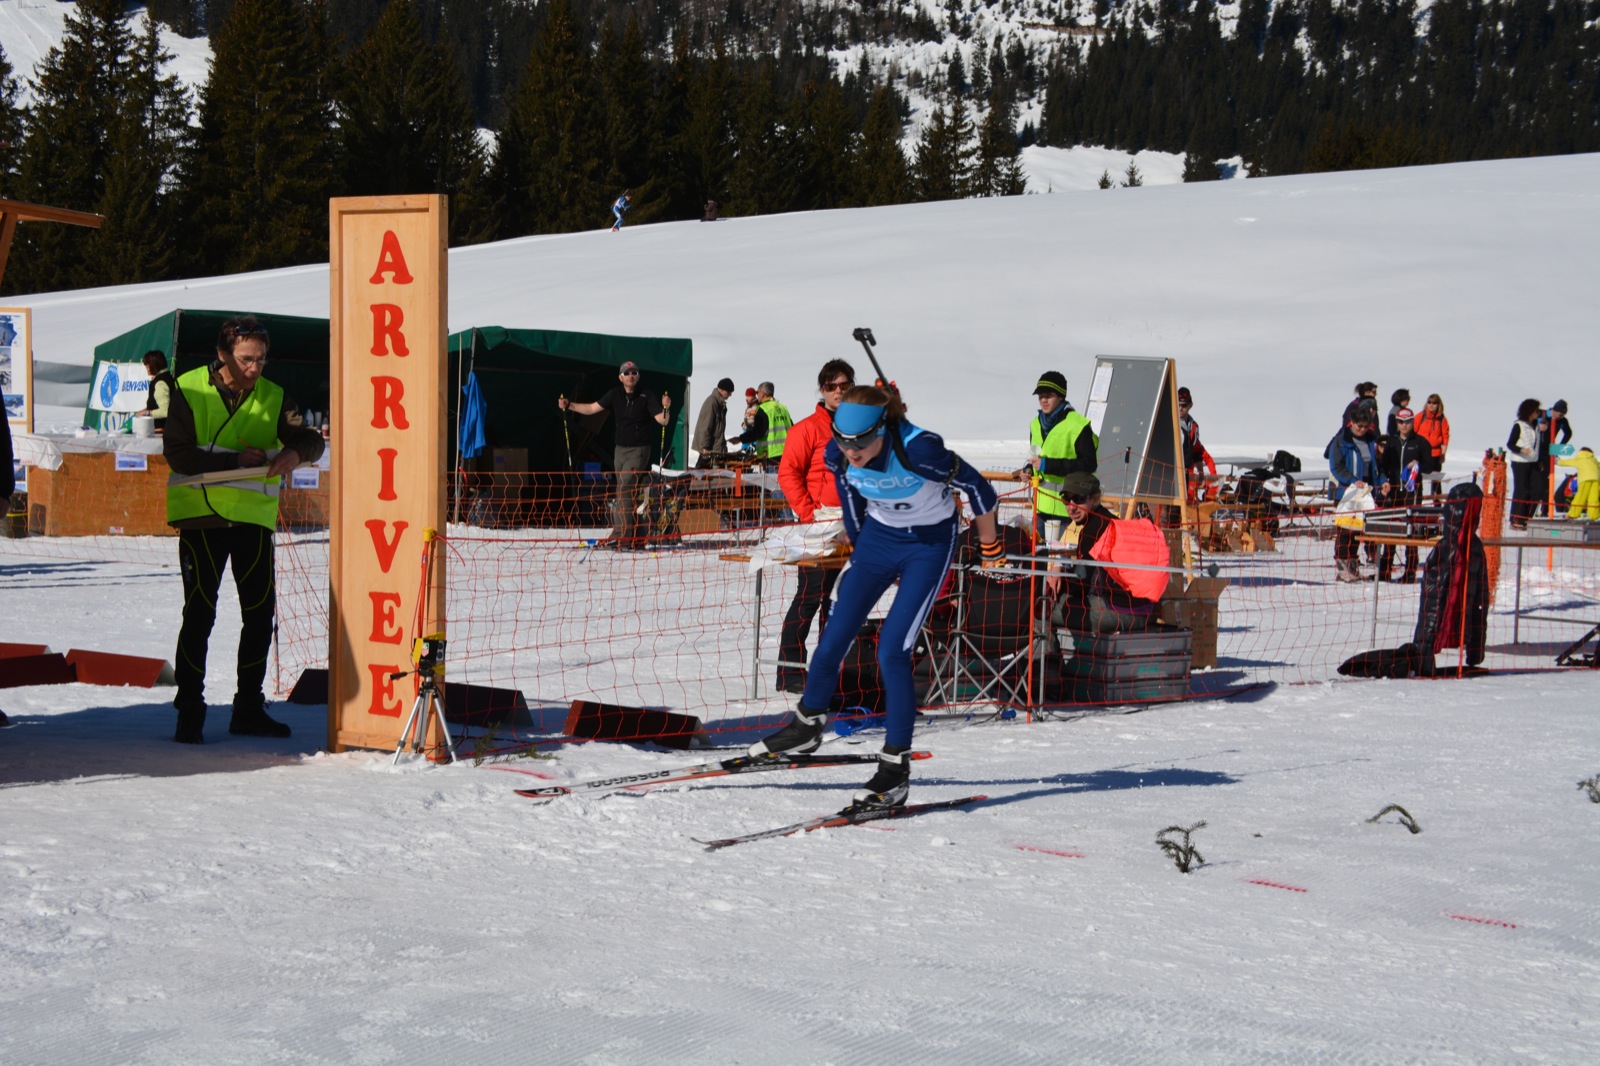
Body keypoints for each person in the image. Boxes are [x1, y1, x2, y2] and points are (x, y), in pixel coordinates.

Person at [748, 385, 1001, 809]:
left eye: (861, 442)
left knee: (892, 650)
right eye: (844, 440)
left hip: (927, 546)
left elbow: (980, 490)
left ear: (882, 428)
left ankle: (895, 769)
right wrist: (862, 544)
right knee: (833, 637)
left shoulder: (920, 449)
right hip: (879, 541)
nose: (852, 450)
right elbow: (849, 498)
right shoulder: (838, 453)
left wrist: (990, 545)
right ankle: (806, 726)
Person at [164, 316, 325, 743]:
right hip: (201, 517)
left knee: (259, 614)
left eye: (261, 359)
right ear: (223, 355)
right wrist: (233, 462)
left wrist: (296, 453)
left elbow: (311, 439)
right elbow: (177, 454)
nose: (254, 368)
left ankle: (249, 708)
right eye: (246, 359)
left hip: (252, 520)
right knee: (199, 613)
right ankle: (189, 709)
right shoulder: (188, 388)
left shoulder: (274, 395)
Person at [774, 359, 855, 693]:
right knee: (810, 597)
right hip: (816, 527)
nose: (838, 391)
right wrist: (808, 514)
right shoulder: (806, 429)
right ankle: (791, 673)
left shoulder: (860, 429)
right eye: (831, 386)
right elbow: (788, 473)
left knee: (840, 601)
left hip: (851, 527)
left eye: (844, 385)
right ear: (822, 389)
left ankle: (828, 669)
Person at [559, 360, 672, 548]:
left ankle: (624, 536)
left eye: (634, 373)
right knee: (622, 490)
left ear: (638, 376)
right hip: (620, 450)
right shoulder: (614, 394)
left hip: (639, 450)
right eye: (627, 373)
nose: (631, 376)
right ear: (620, 377)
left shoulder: (646, 395)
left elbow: (663, 421)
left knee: (625, 486)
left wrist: (666, 407)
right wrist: (569, 405)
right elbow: (592, 408)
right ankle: (630, 534)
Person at [1058, 472, 1164, 633]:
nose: (1072, 507)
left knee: (1041, 606)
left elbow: (1081, 585)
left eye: (1079, 499)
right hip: (1142, 609)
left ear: (1095, 499)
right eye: (1066, 499)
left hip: (1121, 612)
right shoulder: (1110, 521)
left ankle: (1046, 650)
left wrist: (1057, 580)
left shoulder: (1094, 530)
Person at [1022, 370, 1097, 543]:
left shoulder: (1077, 425)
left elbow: (1089, 464)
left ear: (1061, 396)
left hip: (1069, 511)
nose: (1043, 400)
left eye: (1049, 395)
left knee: (1063, 559)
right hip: (1040, 509)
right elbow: (1035, 456)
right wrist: (1028, 470)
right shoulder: (1035, 424)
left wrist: (1049, 465)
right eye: (1040, 396)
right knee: (1038, 558)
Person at [1327, 405, 1387, 582]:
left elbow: (1376, 467)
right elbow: (1336, 467)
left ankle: (1353, 568)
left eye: (1365, 426)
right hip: (1346, 493)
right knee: (1345, 531)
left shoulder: (1371, 441)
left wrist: (1382, 481)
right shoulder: (1341, 441)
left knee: (1357, 531)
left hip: (1365, 494)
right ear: (1351, 423)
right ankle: (1342, 569)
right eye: (1359, 426)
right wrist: (1353, 480)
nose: (1361, 429)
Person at [1378, 408, 1431, 582]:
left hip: (1412, 493)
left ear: (1412, 422)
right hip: (1394, 492)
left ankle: (1410, 571)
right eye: (1401, 422)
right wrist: (1385, 481)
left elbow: (1430, 465)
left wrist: (1418, 465)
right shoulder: (1392, 442)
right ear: (1397, 423)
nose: (1404, 425)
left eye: (1407, 422)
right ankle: (1385, 570)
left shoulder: (1420, 442)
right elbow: (1384, 466)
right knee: (1390, 531)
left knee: (1411, 532)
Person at [730, 381, 791, 466]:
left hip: (770, 455)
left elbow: (758, 432)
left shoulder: (763, 409)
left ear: (763, 394)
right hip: (786, 454)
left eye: (757, 392)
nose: (756, 395)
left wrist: (740, 439)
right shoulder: (783, 408)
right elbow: (792, 430)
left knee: (771, 475)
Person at [1506, 398, 1544, 529]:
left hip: (1533, 461)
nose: (1538, 413)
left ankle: (1528, 517)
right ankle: (1516, 519)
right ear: (1530, 411)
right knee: (1522, 490)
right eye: (1537, 411)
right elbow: (1510, 444)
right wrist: (1522, 450)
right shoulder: (1519, 425)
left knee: (1538, 488)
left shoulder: (1536, 425)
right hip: (1520, 461)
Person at [1177, 386, 1216, 501]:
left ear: (1190, 405)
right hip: (1173, 472)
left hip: (1188, 472)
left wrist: (1201, 474)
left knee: (1190, 501)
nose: (1180, 408)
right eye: (1178, 405)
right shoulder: (1171, 423)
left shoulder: (1193, 426)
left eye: (1184, 405)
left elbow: (1197, 452)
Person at [1414, 393, 1451, 497]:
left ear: (1439, 405)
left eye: (1434, 403)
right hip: (1421, 453)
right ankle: (1418, 499)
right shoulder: (1420, 416)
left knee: (1436, 480)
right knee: (1418, 477)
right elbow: (1413, 432)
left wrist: (1443, 453)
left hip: (1435, 453)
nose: (1431, 405)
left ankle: (1437, 501)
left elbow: (1445, 437)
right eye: (1429, 402)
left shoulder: (1442, 419)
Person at [692, 377, 734, 467]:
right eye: (729, 392)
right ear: (721, 390)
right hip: (709, 450)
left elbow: (719, 430)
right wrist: (705, 447)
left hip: (715, 450)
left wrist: (723, 445)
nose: (730, 395)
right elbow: (705, 426)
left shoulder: (719, 403)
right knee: (704, 473)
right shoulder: (712, 402)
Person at [141, 350, 177, 430]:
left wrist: (146, 413)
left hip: (161, 430)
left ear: (153, 365)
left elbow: (165, 411)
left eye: (147, 364)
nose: (146, 367)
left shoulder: (160, 383)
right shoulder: (168, 378)